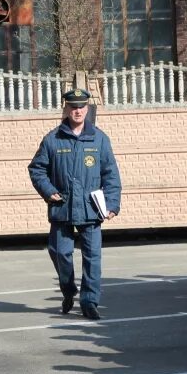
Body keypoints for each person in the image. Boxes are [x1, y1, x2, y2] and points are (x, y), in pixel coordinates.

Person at [28, 88, 122, 320]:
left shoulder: (99, 139)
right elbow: (37, 169)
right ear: (66, 109)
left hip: (91, 209)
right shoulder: (53, 139)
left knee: (92, 258)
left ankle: (90, 302)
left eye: (81, 107)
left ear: (87, 109)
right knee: (60, 253)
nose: (77, 111)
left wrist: (111, 204)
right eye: (72, 107)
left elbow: (111, 175)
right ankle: (69, 291)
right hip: (62, 208)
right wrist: (49, 192)